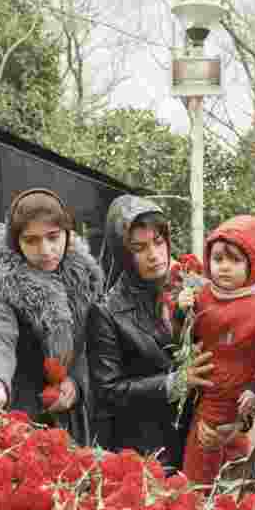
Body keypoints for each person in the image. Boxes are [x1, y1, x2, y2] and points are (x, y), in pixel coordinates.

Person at [0, 189, 104, 444]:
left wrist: (76, 384)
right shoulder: (1, 283)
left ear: (67, 232)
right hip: (20, 413)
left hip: (70, 417)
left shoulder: (84, 278)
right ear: (15, 242)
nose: (45, 249)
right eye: (31, 240)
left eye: (53, 237)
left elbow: (89, 348)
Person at [88, 196, 213, 470]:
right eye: (139, 247)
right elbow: (109, 391)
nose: (154, 254)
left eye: (158, 242)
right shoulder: (107, 312)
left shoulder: (194, 290)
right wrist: (175, 383)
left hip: (199, 441)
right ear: (122, 252)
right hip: (146, 454)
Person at [177, 216, 255, 484]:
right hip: (205, 401)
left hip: (240, 409)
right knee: (196, 479)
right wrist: (181, 312)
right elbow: (184, 341)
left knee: (234, 482)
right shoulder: (203, 296)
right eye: (218, 259)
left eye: (234, 260)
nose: (224, 267)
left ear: (252, 264)